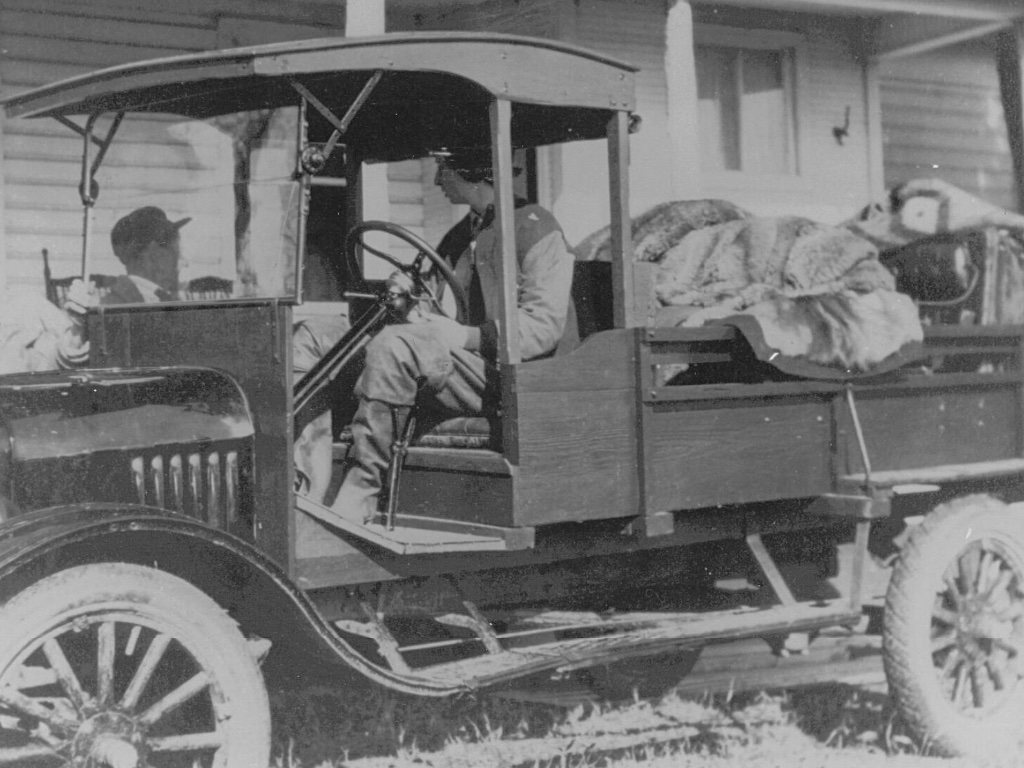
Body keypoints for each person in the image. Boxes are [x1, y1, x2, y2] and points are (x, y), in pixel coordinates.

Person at [326, 148, 576, 525]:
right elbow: (436, 301)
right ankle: (309, 475)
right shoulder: (461, 234)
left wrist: (465, 335)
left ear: (471, 170)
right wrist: (413, 311)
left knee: (395, 346)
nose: (436, 179)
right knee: (320, 339)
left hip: (520, 379)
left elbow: (544, 326)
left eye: (443, 167)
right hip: (470, 368)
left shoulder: (537, 228)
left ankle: (363, 491)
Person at [104, 206, 190, 304]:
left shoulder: (157, 298)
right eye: (178, 253)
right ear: (154, 254)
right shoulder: (117, 303)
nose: (186, 263)